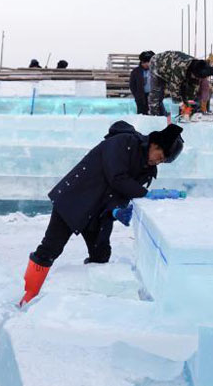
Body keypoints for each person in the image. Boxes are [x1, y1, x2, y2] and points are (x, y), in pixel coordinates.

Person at [19, 121, 184, 307]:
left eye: (162, 161)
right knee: (50, 249)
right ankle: (29, 295)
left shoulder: (148, 171)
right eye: (159, 156)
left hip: (99, 212)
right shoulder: (124, 143)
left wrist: (116, 210)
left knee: (101, 254)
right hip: (75, 199)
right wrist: (146, 194)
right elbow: (116, 177)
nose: (157, 162)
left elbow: (122, 194)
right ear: (154, 144)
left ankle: (88, 301)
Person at [147, 51, 213, 118]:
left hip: (172, 67)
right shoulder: (179, 69)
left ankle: (185, 114)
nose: (198, 79)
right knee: (157, 92)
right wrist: (182, 105)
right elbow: (174, 89)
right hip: (157, 64)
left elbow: (192, 90)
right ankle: (155, 116)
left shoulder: (199, 67)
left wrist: (189, 106)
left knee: (186, 92)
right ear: (193, 73)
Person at [128, 50, 154, 115]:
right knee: (142, 114)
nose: (146, 64)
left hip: (153, 96)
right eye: (144, 62)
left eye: (148, 62)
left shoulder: (155, 71)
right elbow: (132, 85)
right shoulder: (136, 71)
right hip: (141, 97)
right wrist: (136, 95)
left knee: (154, 115)